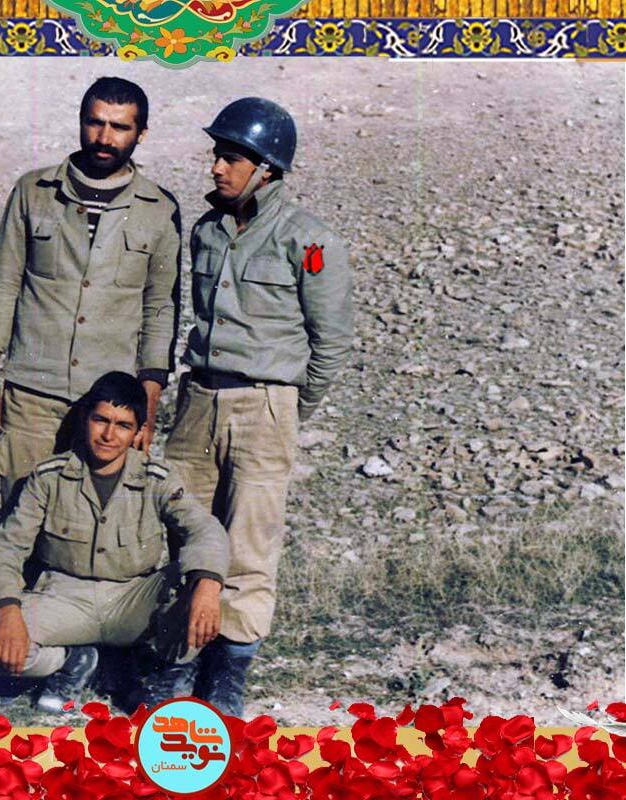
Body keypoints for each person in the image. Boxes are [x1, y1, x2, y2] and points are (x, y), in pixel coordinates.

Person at [158, 97, 354, 716]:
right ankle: (176, 659)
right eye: (216, 154)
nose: (216, 167)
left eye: (232, 158)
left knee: (249, 543)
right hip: (198, 398)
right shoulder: (206, 230)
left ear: (266, 168)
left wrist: (288, 410)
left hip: (265, 403)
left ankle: (228, 674)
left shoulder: (308, 238)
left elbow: (331, 344)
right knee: (180, 527)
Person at [0, 77, 182, 512]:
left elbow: (160, 310)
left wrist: (147, 405)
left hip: (109, 408)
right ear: (81, 121)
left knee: (95, 524)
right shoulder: (33, 192)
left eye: (120, 127)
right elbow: (3, 284)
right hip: (32, 396)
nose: (105, 137)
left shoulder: (160, 209)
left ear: (141, 133)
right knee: (21, 517)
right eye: (95, 123)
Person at [0, 371, 228, 712]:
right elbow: (8, 546)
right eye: (101, 420)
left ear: (138, 431)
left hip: (132, 599)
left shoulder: (156, 478)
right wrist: (8, 611)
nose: (109, 435)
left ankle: (163, 674)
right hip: (64, 598)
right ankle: (70, 660)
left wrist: (207, 587)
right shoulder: (48, 477)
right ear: (84, 419)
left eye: (123, 425)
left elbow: (205, 530)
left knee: (197, 588)